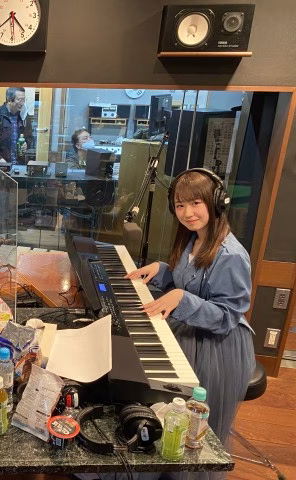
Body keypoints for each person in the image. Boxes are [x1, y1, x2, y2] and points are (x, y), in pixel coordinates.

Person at [126, 168, 255, 480]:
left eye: (196, 203)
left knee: (182, 417)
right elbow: (191, 282)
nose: (187, 213)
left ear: (216, 203)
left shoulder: (231, 255)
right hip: (192, 326)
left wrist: (182, 299)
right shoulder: (193, 239)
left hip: (218, 343)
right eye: (180, 205)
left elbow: (227, 315)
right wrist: (163, 270)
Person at [0, 86, 34, 165]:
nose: (22, 103)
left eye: (24, 100)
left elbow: (29, 138)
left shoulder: (24, 116)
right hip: (2, 163)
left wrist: (26, 145)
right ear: (9, 100)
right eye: (19, 100)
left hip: (20, 163)